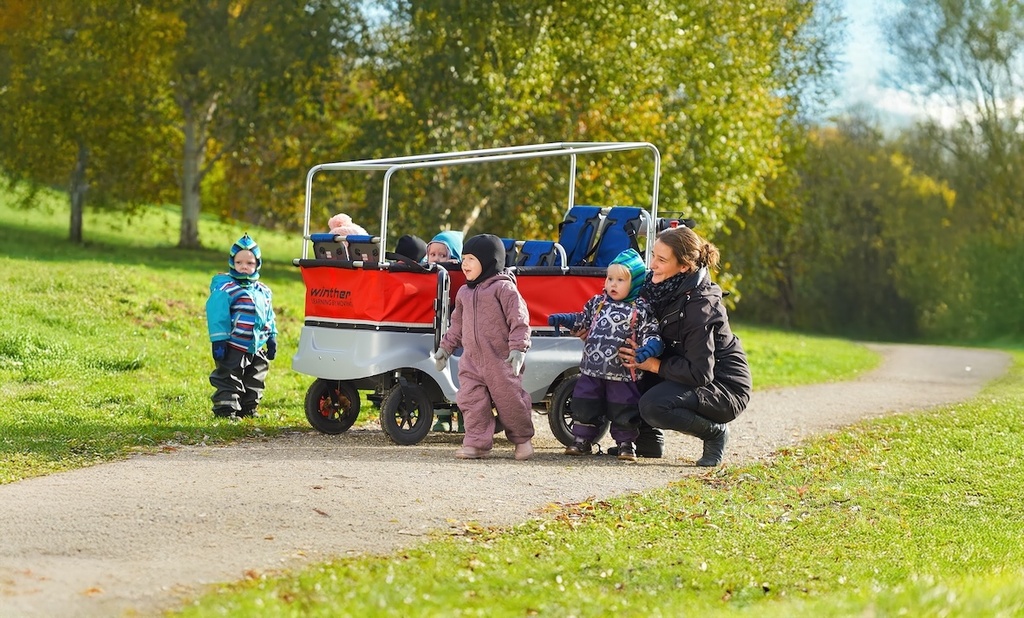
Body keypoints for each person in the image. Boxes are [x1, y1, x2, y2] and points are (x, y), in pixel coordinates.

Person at [619, 226, 752, 466]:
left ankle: (715, 433)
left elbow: (701, 372)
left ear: (684, 266)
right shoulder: (656, 287)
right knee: (623, 367)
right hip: (684, 371)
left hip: (723, 385)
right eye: (653, 255)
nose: (652, 265)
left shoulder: (700, 307)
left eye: (661, 260)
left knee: (653, 406)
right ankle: (648, 441)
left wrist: (653, 365)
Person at [547, 249, 663, 461]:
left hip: (623, 373)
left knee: (624, 407)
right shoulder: (597, 303)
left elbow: (652, 335)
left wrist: (647, 350)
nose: (613, 284)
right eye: (610, 279)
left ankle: (626, 444)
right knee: (584, 403)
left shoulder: (640, 309)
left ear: (635, 282)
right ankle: (582, 440)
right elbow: (582, 319)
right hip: (591, 370)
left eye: (620, 280)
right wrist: (564, 319)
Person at [432, 234, 535, 460]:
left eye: (471, 259)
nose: (464, 264)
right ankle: (477, 443)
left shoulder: (504, 289)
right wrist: (446, 348)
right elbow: (457, 324)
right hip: (472, 361)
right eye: (464, 258)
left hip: (501, 360)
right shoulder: (464, 293)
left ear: (489, 261)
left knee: (511, 401)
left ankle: (522, 439)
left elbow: (519, 321)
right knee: (470, 400)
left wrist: (518, 349)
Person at [206, 233, 278, 418]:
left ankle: (248, 408)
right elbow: (217, 315)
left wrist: (272, 337)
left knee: (255, 378)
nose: (244, 267)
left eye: (250, 263)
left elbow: (269, 315)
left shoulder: (263, 291)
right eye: (239, 263)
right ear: (232, 263)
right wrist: (219, 341)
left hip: (257, 345)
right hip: (234, 345)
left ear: (257, 264)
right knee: (229, 377)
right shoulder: (226, 288)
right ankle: (226, 409)